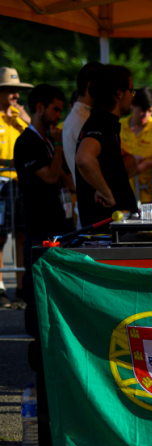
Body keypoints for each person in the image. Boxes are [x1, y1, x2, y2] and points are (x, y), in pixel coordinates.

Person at [13, 84, 74, 307]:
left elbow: (65, 179)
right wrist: (59, 146)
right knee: (38, 282)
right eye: (55, 110)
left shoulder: (47, 140)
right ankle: (35, 336)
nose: (59, 116)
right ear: (40, 107)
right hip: (39, 222)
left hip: (59, 220)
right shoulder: (27, 142)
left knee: (58, 281)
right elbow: (49, 177)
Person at [75, 65, 139, 227]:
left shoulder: (104, 123)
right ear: (119, 93)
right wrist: (105, 191)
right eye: (131, 91)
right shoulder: (100, 123)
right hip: (106, 231)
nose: (132, 97)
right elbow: (84, 158)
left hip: (113, 227)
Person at [0, 67, 33, 307]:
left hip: (22, 185)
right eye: (11, 90)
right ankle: (1, 288)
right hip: (1, 183)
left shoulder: (21, 118)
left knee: (22, 234)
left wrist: (27, 121)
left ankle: (22, 287)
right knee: (0, 236)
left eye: (18, 91)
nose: (16, 96)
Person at [63, 62, 103, 189]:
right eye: (104, 85)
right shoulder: (80, 120)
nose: (108, 91)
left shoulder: (84, 116)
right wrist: (105, 191)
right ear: (91, 86)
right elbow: (85, 161)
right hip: (95, 201)